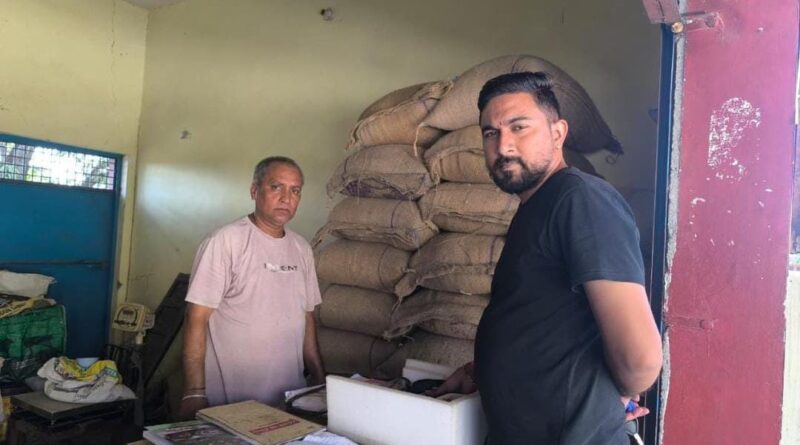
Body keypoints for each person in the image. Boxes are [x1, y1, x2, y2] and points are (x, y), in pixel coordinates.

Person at [430, 72, 663, 444]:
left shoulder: (580, 200)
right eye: (490, 133)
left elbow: (641, 360)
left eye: (519, 127)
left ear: (558, 133)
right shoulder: (538, 207)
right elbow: (547, 325)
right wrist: (480, 371)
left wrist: (607, 397)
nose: (503, 145)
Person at [178, 156, 325, 420]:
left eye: (295, 191)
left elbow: (307, 317)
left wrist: (319, 379)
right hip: (230, 400)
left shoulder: (301, 248)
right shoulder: (225, 241)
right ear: (254, 191)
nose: (286, 198)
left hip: (288, 399)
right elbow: (195, 318)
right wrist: (194, 392)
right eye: (276, 187)